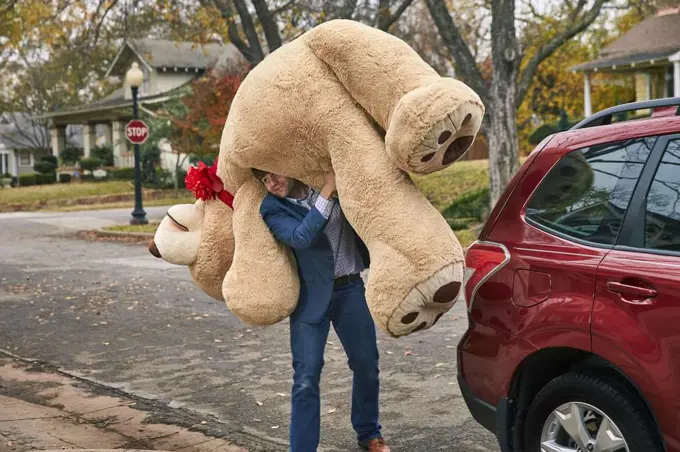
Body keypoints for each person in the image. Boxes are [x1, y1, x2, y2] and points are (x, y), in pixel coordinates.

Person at [253, 168, 390, 452]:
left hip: (349, 289)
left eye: (274, 174)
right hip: (310, 296)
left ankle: (369, 432)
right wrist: (328, 190)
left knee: (366, 364)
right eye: (264, 180)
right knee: (306, 377)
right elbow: (300, 238)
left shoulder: (326, 180)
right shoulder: (272, 207)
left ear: (288, 165)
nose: (272, 182)